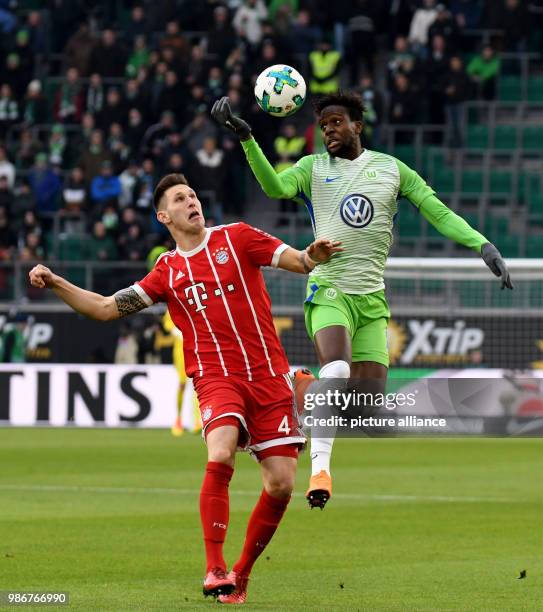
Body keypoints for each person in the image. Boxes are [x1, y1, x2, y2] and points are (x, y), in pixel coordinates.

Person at [29, 173, 341, 603]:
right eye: (180, 198)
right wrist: (57, 282)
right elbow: (104, 308)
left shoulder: (238, 237)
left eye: (193, 195)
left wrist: (312, 254)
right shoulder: (167, 272)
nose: (192, 201)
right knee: (220, 449)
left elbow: (298, 261)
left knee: (281, 485)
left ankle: (241, 575)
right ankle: (213, 568)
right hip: (218, 378)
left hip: (270, 376)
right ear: (164, 216)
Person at [211, 92, 513, 509]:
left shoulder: (391, 169)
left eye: (337, 123)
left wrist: (482, 245)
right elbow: (275, 187)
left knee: (366, 412)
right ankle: (320, 471)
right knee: (336, 366)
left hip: (372, 299)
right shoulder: (312, 168)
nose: (330, 132)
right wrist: (247, 137)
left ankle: (303, 388)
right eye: (324, 126)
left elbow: (438, 211)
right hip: (329, 289)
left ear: (358, 125)